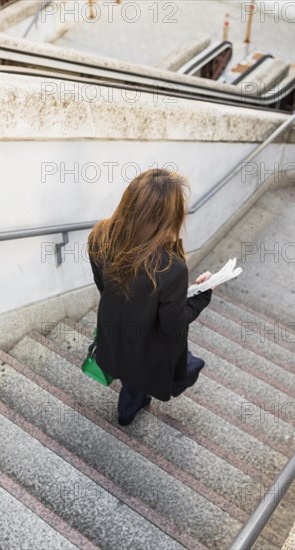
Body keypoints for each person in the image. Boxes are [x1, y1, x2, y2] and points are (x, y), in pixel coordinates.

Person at [87, 168, 214, 426]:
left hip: (113, 334)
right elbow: (172, 324)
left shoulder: (100, 236)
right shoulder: (171, 268)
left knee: (128, 376)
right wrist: (203, 295)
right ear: (172, 215)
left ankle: (130, 408)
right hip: (145, 347)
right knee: (138, 379)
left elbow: (103, 286)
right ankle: (131, 408)